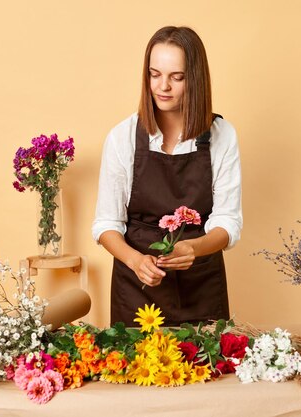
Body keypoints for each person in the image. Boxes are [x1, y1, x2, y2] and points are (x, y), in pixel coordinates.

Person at [92, 26, 242, 327]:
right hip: (137, 289)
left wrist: (193, 248)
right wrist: (136, 262)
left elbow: (228, 221)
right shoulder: (122, 138)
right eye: (155, 74)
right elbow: (107, 224)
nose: (163, 86)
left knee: (209, 372)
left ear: (195, 79)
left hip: (202, 285)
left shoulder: (221, 136)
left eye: (177, 77)